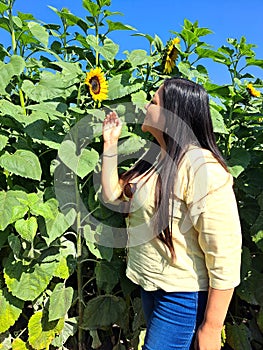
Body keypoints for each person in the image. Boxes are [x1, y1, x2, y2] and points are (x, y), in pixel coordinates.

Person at [101, 77, 242, 350]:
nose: (146, 105)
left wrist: (212, 329)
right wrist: (110, 144)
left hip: (183, 296)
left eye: (153, 101)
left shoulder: (202, 168)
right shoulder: (156, 159)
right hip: (153, 286)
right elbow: (112, 195)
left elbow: (225, 253)